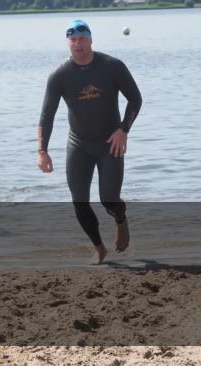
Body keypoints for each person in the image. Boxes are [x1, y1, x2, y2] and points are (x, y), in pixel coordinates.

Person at [37, 19, 143, 265]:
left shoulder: (112, 66)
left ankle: (120, 218)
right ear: (68, 42)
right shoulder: (60, 75)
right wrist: (42, 151)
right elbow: (46, 115)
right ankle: (98, 248)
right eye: (73, 39)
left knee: (108, 198)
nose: (78, 44)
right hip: (79, 145)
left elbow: (135, 99)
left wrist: (123, 130)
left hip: (110, 144)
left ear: (91, 40)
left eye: (83, 38)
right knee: (79, 200)